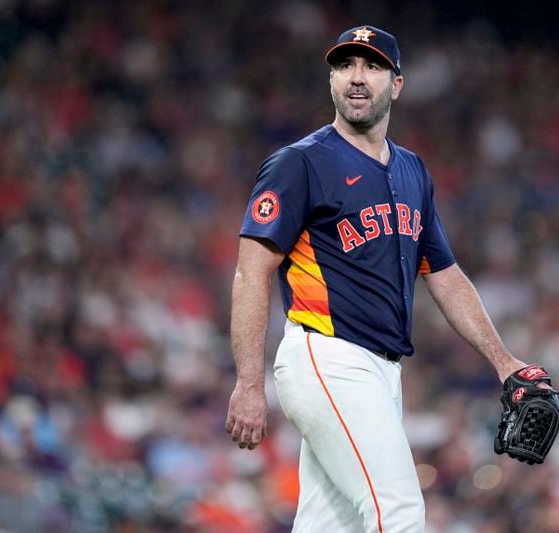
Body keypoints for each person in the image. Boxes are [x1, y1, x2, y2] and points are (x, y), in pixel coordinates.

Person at [226, 25, 531, 532]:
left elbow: (445, 275)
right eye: (345, 65)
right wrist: (248, 382)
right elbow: (251, 271)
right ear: (331, 81)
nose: (357, 77)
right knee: (399, 510)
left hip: (383, 373)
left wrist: (503, 361)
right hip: (329, 357)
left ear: (397, 83)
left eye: (372, 66)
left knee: (331, 525)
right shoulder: (301, 163)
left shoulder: (412, 171)